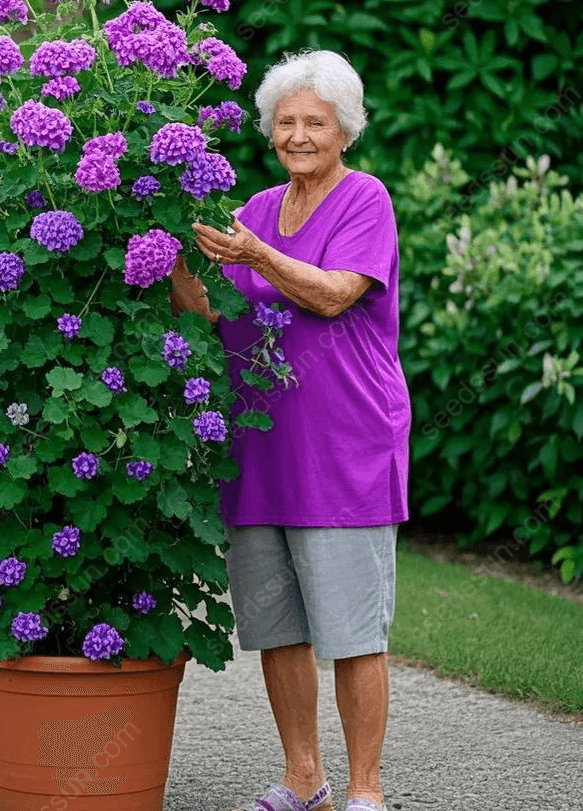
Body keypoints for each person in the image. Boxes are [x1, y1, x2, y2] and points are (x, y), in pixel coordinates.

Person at [170, 49, 410, 811]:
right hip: (261, 444)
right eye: (286, 122)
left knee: (352, 632)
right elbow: (217, 310)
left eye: (316, 122)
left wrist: (257, 255)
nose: (299, 135)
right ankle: (303, 779)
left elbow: (336, 295)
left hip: (344, 447)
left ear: (346, 131)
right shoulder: (260, 207)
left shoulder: (364, 198)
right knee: (277, 627)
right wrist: (166, 243)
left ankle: (366, 790)